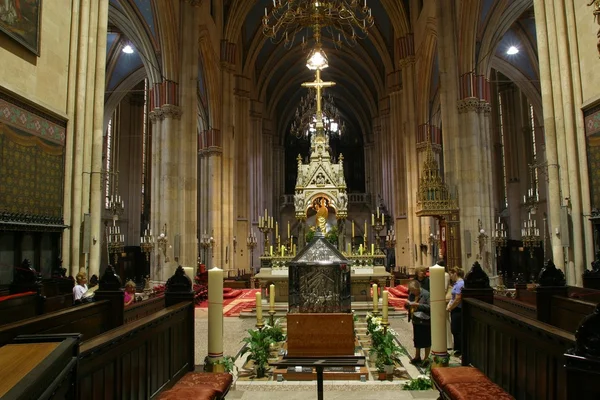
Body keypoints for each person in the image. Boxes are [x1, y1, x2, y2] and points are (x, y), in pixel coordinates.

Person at [405, 280, 431, 366]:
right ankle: (417, 356)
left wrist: (418, 305)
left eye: (413, 290)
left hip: (425, 320)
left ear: (418, 288)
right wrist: (407, 304)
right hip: (415, 319)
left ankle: (426, 358)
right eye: (411, 290)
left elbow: (430, 307)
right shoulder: (412, 294)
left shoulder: (426, 294)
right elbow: (409, 302)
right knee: (417, 339)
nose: (412, 292)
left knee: (426, 339)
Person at [446, 267, 465, 357]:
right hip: (455, 309)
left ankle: (460, 350)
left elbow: (458, 299)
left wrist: (450, 307)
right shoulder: (457, 283)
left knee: (456, 330)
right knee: (455, 330)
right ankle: (457, 349)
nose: (450, 276)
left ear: (455, 273)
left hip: (458, 309)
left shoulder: (460, 284)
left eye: (451, 274)